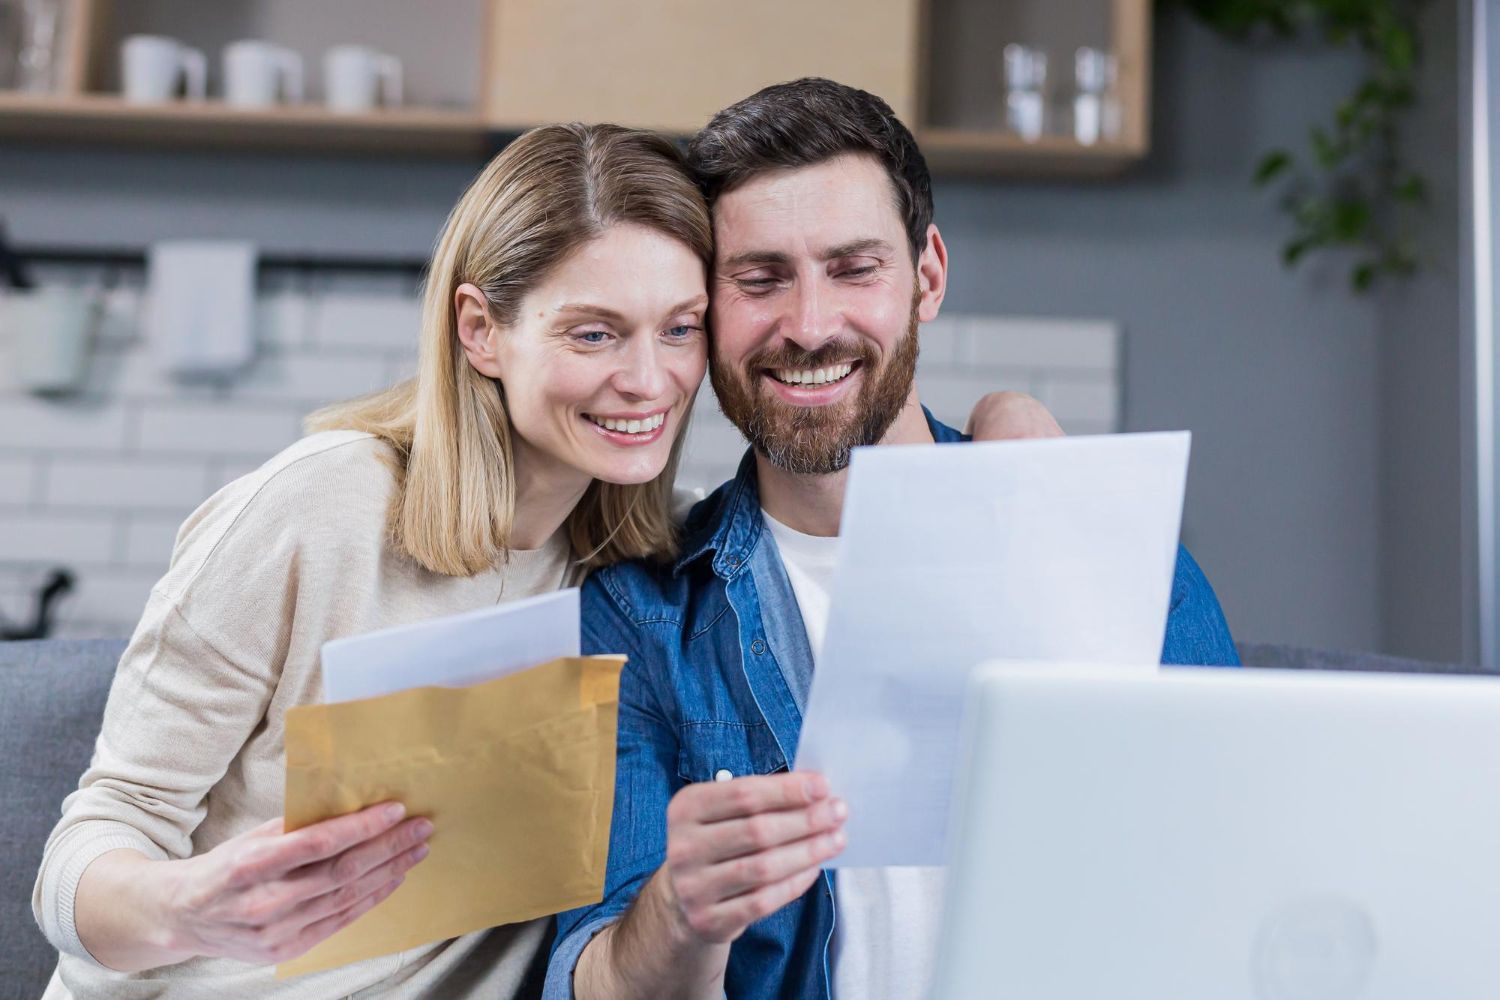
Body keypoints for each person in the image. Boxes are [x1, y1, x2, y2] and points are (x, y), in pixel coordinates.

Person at [31, 121, 1054, 999]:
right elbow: (87, 848)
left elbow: (864, 521)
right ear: (481, 329)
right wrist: (189, 909)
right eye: (594, 333)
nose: (646, 380)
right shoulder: (326, 505)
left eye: (681, 329)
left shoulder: (648, 573)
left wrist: (1015, 427)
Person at [547, 79, 1240, 1000]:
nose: (808, 325)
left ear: (928, 275)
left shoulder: (1100, 544)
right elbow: (588, 976)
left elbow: (1231, 878)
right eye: (759, 279)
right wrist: (679, 912)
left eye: (853, 267)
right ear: (707, 309)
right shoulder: (641, 616)